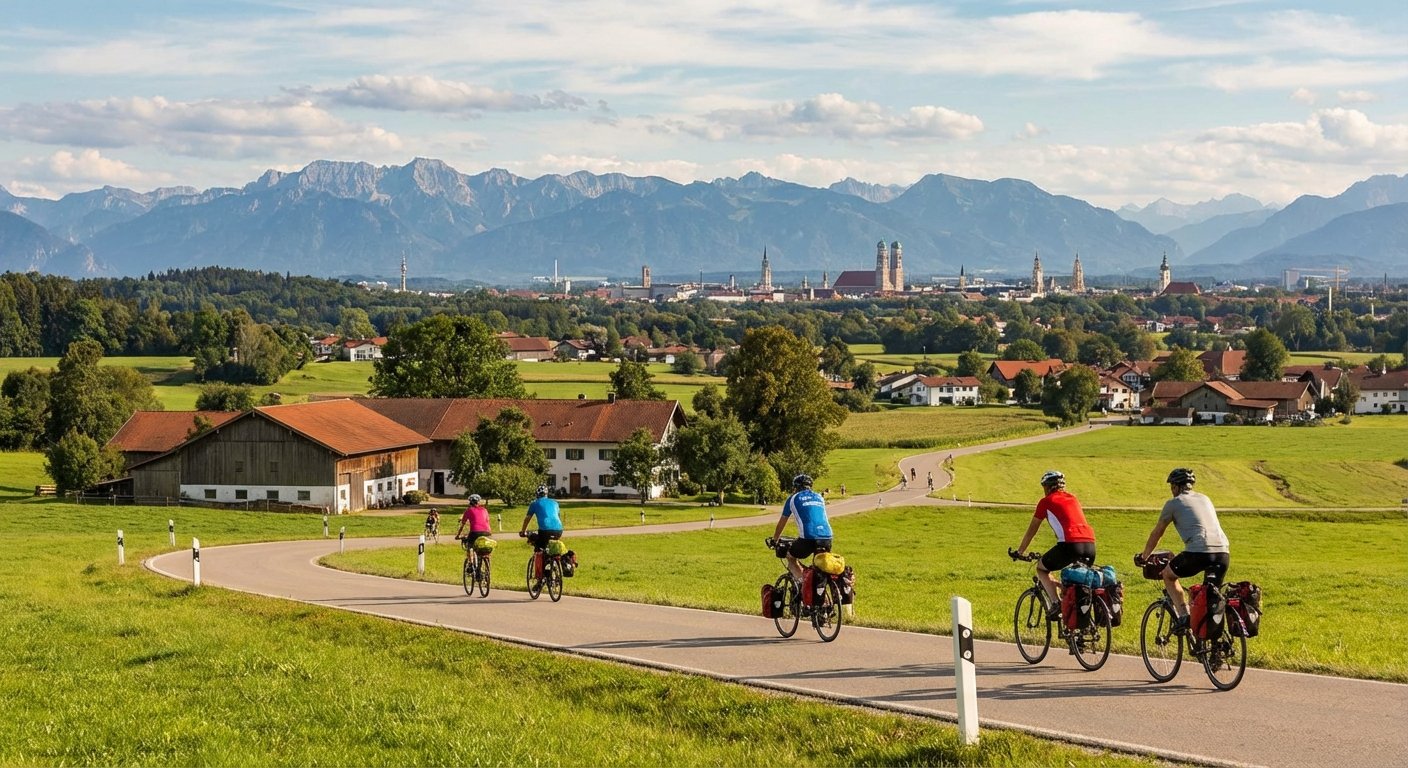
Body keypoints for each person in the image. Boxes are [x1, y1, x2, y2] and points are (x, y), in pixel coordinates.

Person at [1136, 468, 1229, 631]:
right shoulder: (1205, 499)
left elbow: (1157, 532)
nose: (1172, 490)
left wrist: (1144, 556)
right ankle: (1213, 648)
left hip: (1198, 552)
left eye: (1172, 487)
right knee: (1211, 598)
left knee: (1168, 575)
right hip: (1222, 552)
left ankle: (1184, 616)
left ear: (1176, 487)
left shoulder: (1173, 503)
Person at [1012, 470, 1096, 616]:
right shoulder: (1073, 498)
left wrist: (1020, 551)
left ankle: (1056, 603)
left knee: (1041, 568)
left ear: (1048, 487)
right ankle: (1079, 627)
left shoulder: (1046, 502)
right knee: (1076, 584)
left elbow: (1032, 530)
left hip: (1070, 545)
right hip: (1090, 545)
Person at [770, 474, 832, 586]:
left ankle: (804, 585)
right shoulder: (819, 497)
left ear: (795, 487)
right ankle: (821, 596)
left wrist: (775, 540)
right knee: (819, 567)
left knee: (790, 556)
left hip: (808, 538)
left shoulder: (793, 498)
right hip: (827, 537)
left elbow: (782, 522)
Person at [518, 485, 563, 550]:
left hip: (545, 531)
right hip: (559, 530)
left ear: (537, 494)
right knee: (553, 550)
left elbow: (527, 518)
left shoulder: (535, 503)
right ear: (547, 494)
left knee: (539, 549)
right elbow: (558, 517)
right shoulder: (555, 503)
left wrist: (523, 531)